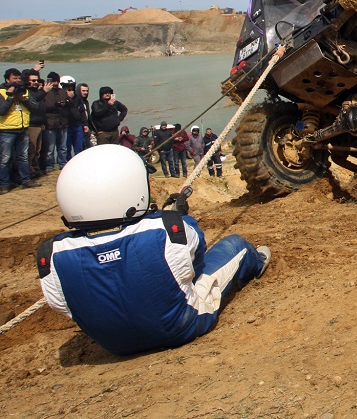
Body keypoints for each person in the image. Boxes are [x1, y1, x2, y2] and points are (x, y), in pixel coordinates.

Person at [36, 145, 270, 356]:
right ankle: (257, 262)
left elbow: (62, 305)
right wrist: (179, 216)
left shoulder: (52, 253)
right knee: (234, 245)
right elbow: (197, 260)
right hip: (181, 327)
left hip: (113, 345)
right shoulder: (166, 228)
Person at [1, 68, 42, 193]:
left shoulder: (24, 91)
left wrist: (23, 98)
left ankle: (26, 180)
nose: (18, 81)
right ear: (7, 80)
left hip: (23, 129)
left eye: (19, 78)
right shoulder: (1, 92)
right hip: (6, 130)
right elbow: (1, 111)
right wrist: (11, 96)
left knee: (23, 157)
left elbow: (35, 107)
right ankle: (4, 184)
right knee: (5, 158)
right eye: (15, 78)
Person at [42, 74, 70, 173]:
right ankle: (50, 165)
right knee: (50, 148)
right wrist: (56, 105)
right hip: (50, 123)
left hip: (62, 123)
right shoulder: (44, 92)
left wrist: (66, 102)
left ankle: (62, 164)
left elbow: (68, 104)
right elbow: (43, 107)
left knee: (63, 147)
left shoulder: (62, 91)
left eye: (57, 81)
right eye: (53, 81)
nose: (55, 83)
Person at [66, 81, 90, 158]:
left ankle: (79, 160)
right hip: (67, 125)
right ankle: (67, 162)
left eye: (87, 91)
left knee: (79, 147)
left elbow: (83, 112)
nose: (85, 92)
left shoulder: (81, 100)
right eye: (83, 91)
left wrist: (85, 124)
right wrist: (69, 98)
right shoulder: (64, 97)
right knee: (67, 147)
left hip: (79, 125)